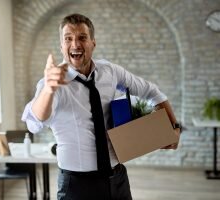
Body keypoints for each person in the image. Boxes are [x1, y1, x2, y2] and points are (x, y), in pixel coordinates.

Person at [22, 13, 181, 200]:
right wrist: (49, 89)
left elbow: (151, 91)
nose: (75, 44)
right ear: (61, 46)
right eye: (68, 39)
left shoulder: (110, 72)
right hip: (77, 186)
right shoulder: (52, 83)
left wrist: (174, 128)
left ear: (93, 43)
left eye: (82, 37)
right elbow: (36, 121)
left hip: (117, 178)